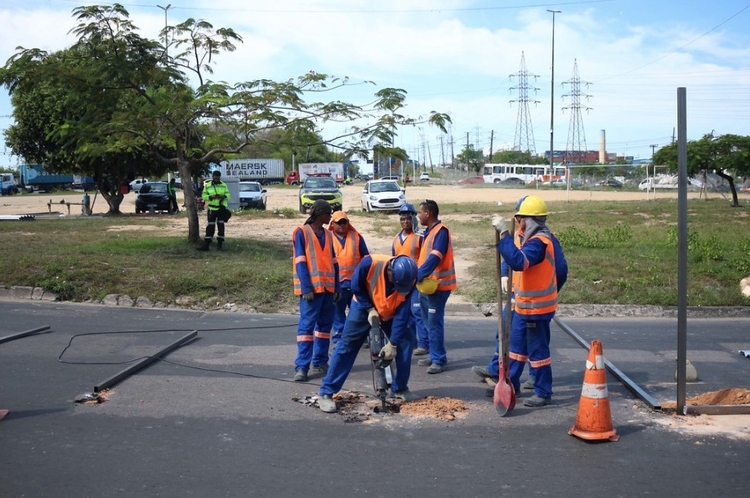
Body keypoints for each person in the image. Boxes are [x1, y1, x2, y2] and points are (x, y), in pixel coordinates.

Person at [473, 196, 568, 392]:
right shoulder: (525, 236)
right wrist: (505, 275)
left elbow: (520, 261)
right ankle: (510, 385)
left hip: (536, 307)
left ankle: (542, 391)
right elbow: (511, 258)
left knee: (538, 352)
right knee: (515, 349)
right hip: (523, 304)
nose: (517, 222)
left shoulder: (540, 242)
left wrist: (504, 233)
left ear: (530, 219)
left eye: (519, 218)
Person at [318, 254, 418, 413]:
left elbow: (403, 313)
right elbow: (356, 287)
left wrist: (392, 344)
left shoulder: (410, 278)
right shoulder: (370, 263)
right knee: (347, 346)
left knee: (405, 343)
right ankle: (326, 392)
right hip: (363, 308)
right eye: (395, 283)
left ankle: (399, 388)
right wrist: (370, 309)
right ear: (390, 271)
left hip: (391, 312)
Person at [292, 199, 341, 382]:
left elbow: (334, 262)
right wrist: (306, 287)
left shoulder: (328, 235)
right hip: (311, 291)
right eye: (329, 213)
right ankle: (302, 367)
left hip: (327, 290)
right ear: (320, 214)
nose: (330, 217)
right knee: (306, 328)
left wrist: (336, 287)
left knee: (324, 329)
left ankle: (320, 361)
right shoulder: (302, 233)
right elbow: (300, 261)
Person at [415, 199, 457, 374]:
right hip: (427, 286)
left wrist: (418, 274)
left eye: (420, 212)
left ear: (428, 213)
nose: (418, 216)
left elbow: (435, 257)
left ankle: (438, 359)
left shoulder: (441, 232)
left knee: (434, 323)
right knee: (427, 322)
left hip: (438, 286)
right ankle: (435, 355)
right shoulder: (428, 232)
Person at [392, 203, 428, 357]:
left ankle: (424, 343)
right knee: (404, 313)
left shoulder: (420, 237)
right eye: (402, 219)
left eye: (407, 219)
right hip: (401, 282)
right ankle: (411, 340)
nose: (405, 222)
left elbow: (425, 257)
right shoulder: (396, 239)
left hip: (416, 281)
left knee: (417, 312)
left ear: (413, 219)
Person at [329, 210, 369, 345]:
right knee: (337, 314)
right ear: (332, 224)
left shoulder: (357, 237)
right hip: (336, 284)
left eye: (344, 222)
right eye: (339, 223)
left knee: (357, 312)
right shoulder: (327, 238)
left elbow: (366, 259)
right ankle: (340, 338)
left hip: (354, 283)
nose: (342, 225)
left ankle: (358, 338)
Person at [198, 170, 231, 251]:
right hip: (212, 209)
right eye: (215, 178)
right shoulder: (208, 185)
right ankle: (207, 245)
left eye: (218, 178)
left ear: (220, 177)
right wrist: (210, 197)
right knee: (210, 227)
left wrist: (223, 197)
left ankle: (220, 244)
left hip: (221, 208)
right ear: (212, 177)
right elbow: (204, 195)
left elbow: (228, 195)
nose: (216, 179)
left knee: (221, 226)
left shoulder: (224, 185)